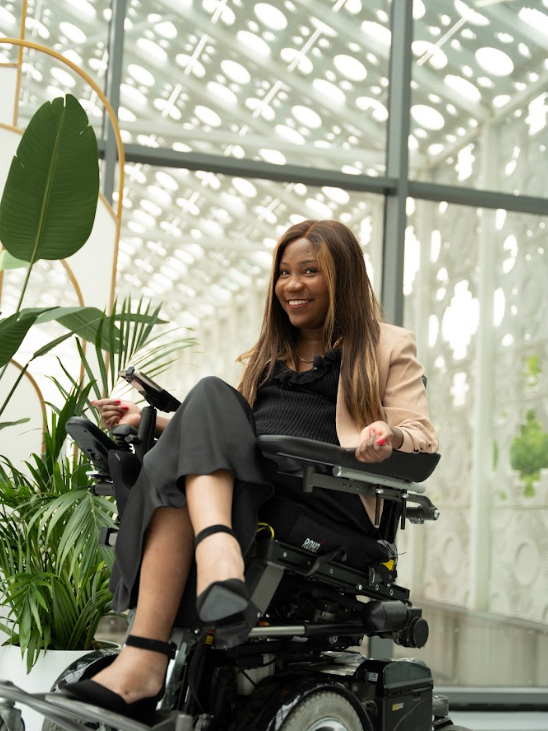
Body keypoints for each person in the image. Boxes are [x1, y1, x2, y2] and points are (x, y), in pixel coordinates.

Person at [63, 219, 438, 723]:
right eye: (283, 272)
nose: (291, 285)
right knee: (207, 409)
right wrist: (147, 422)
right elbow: (227, 431)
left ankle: (149, 649)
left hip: (327, 494)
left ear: (342, 277)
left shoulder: (389, 345)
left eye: (309, 271)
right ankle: (177, 614)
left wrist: (387, 437)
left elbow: (422, 436)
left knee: (187, 457)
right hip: (254, 486)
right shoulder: (269, 353)